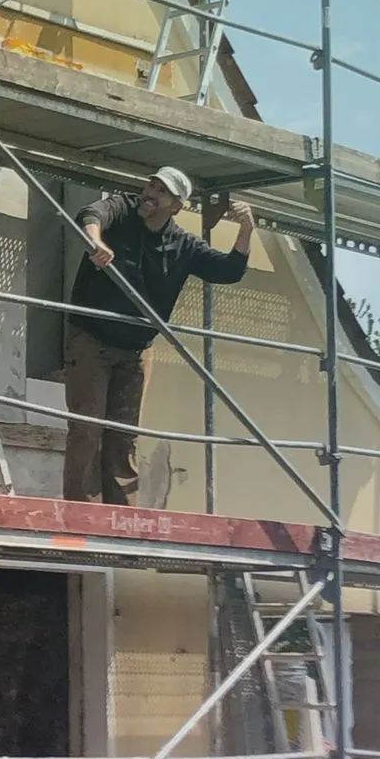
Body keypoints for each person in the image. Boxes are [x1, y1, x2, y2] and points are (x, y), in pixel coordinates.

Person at [62, 165, 257, 507]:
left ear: (176, 205)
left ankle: (121, 516)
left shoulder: (182, 244)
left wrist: (247, 229)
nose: (150, 193)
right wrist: (94, 241)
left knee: (124, 435)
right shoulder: (122, 209)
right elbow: (90, 213)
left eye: (161, 191)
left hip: (137, 349)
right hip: (92, 339)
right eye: (150, 185)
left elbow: (229, 270)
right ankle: (82, 511)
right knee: (87, 428)